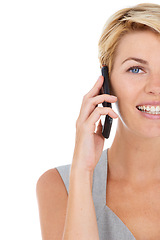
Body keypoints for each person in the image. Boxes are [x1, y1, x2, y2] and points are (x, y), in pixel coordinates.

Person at [36, 3, 160, 240]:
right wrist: (83, 172)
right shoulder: (59, 186)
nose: (155, 87)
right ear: (106, 81)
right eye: (136, 69)